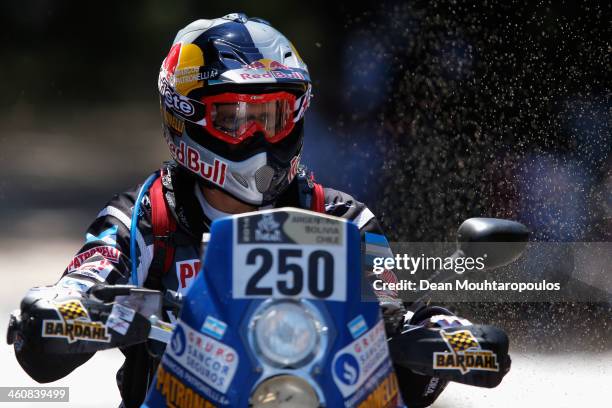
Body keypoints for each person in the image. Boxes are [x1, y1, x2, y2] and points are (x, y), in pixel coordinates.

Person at [10, 13, 498, 407]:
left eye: (274, 115)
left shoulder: (342, 220)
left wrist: (438, 338)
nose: (260, 137)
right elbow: (73, 297)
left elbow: (396, 317)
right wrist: (73, 309)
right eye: (236, 118)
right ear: (185, 116)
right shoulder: (144, 218)